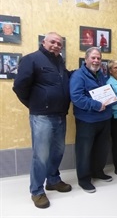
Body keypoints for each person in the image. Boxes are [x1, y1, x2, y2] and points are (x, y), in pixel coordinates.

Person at [12, 32, 72, 209]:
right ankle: (37, 191)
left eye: (59, 43)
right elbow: (19, 86)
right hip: (41, 116)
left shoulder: (59, 61)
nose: (56, 45)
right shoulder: (31, 59)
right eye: (52, 42)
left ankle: (53, 180)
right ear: (43, 42)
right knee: (41, 155)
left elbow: (65, 78)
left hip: (60, 114)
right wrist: (33, 104)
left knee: (58, 151)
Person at [70, 47, 113, 193]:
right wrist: (95, 105)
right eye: (93, 58)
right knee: (84, 151)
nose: (96, 61)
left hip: (104, 118)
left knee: (102, 148)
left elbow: (106, 92)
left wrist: (112, 98)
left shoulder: (102, 74)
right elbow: (76, 97)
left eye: (99, 58)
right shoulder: (78, 75)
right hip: (87, 120)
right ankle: (84, 179)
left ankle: (98, 171)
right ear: (86, 59)